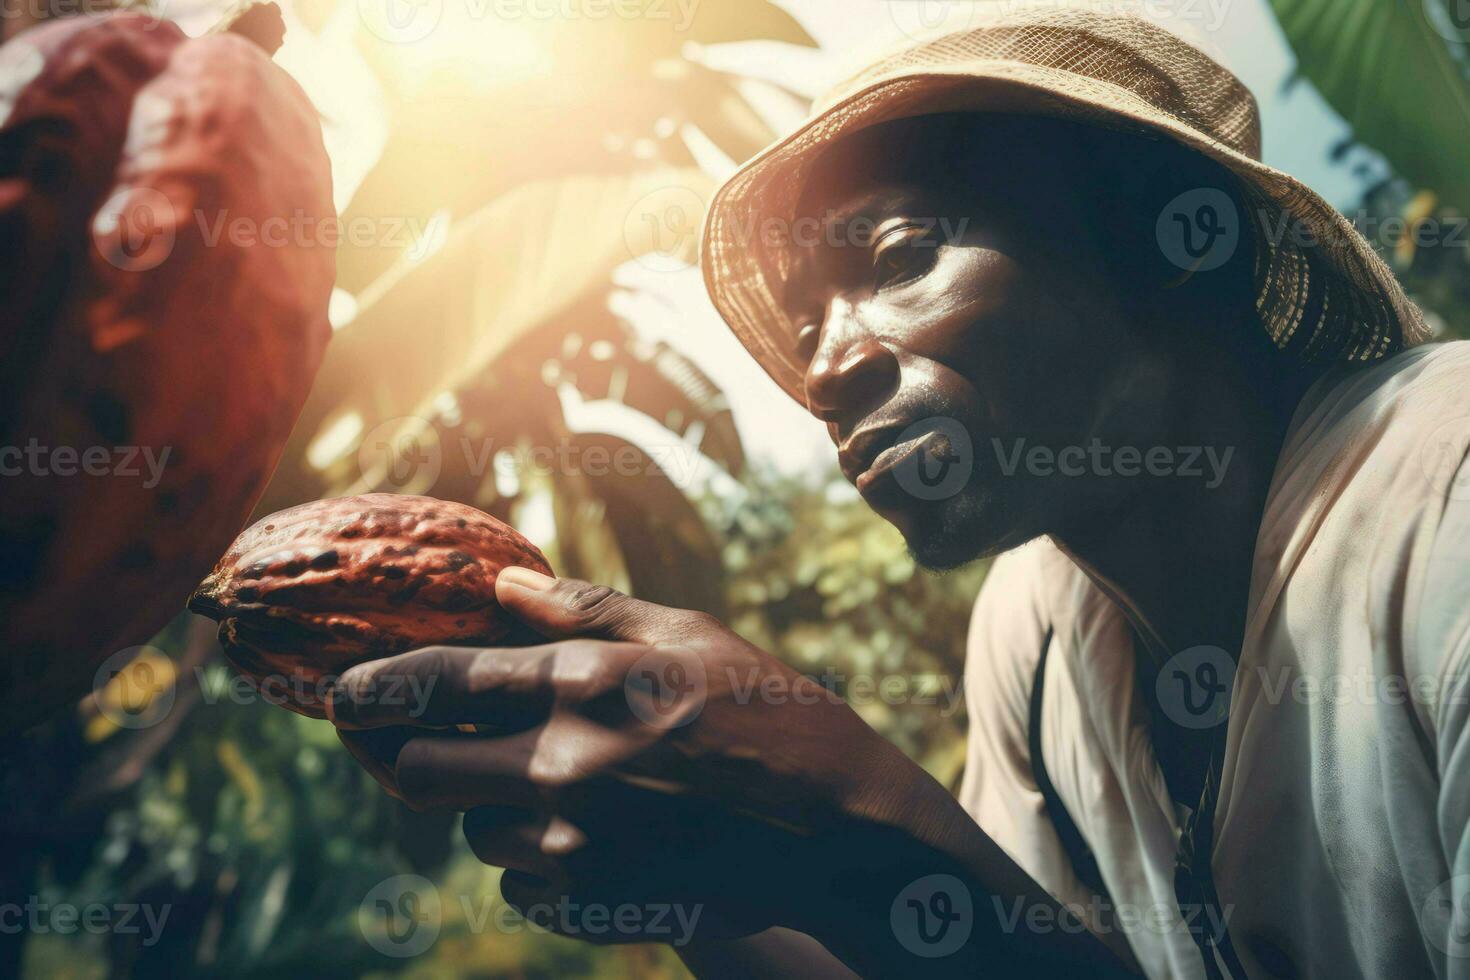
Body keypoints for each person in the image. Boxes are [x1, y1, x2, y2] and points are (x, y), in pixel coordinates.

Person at [328, 10, 1470, 978]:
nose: (826, 372)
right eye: (807, 321)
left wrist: (859, 830)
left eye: (901, 252)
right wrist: (717, 874)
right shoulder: (1036, 630)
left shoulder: (1446, 497)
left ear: (1175, 238)